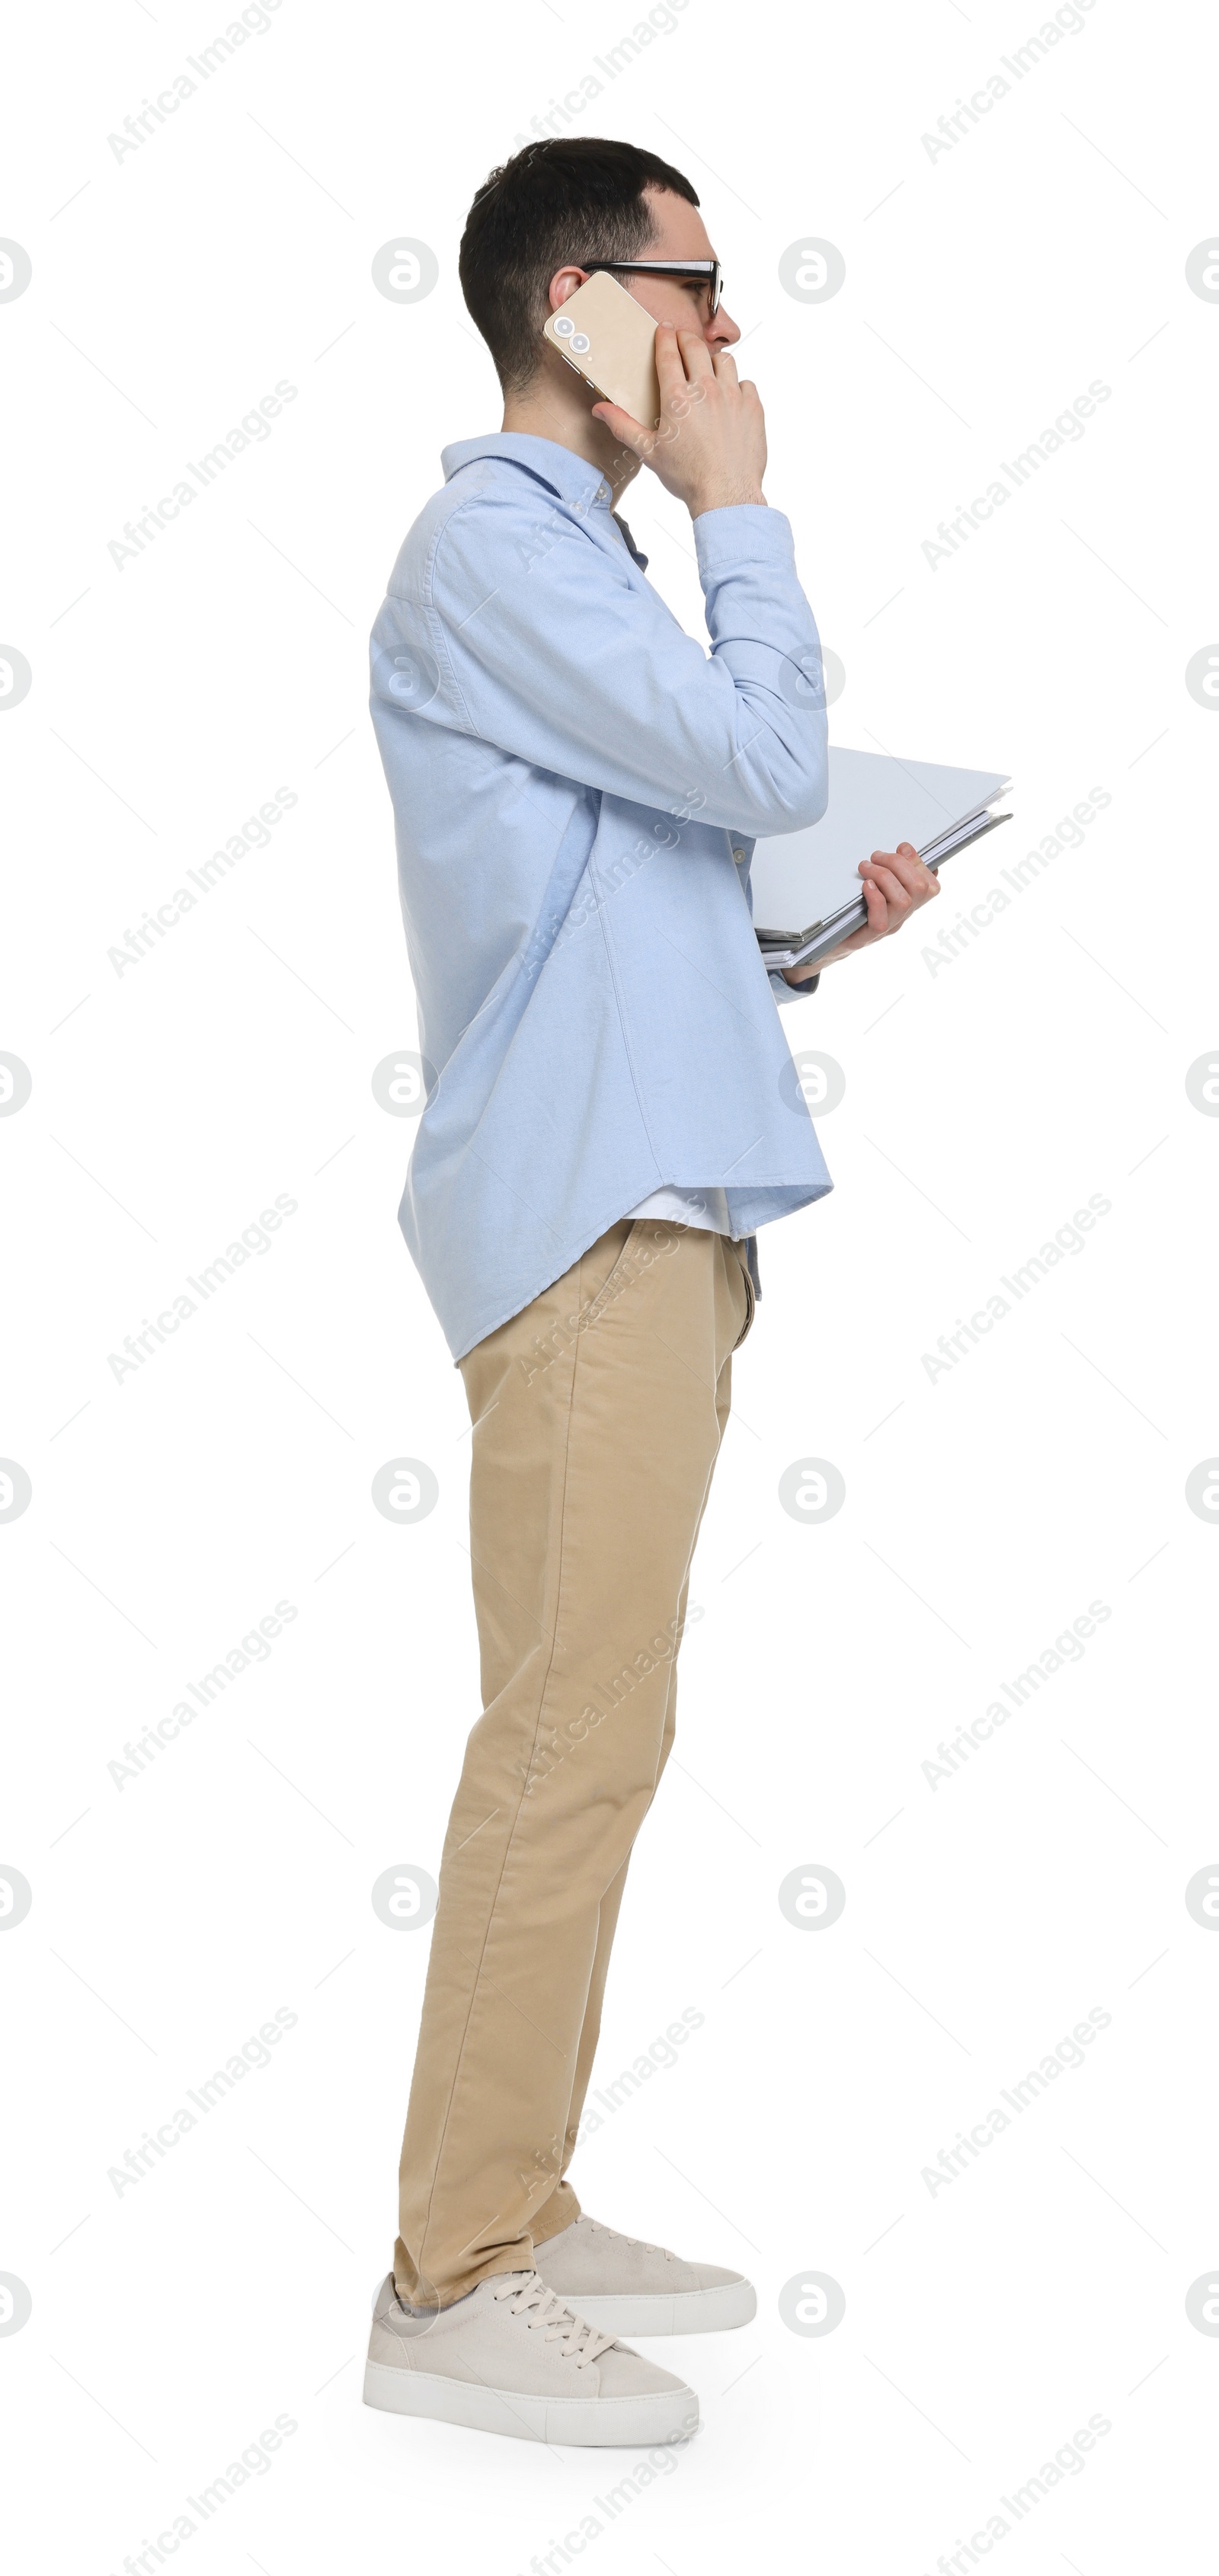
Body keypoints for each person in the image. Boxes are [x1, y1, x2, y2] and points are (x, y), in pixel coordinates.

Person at [364, 137, 939, 2447]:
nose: (731, 337)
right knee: (566, 1746)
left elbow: (649, 862)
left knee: (600, 1735)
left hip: (650, 1207)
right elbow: (762, 745)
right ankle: (453, 2272)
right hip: (594, 1222)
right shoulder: (505, 546)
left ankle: (517, 2190)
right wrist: (741, 508)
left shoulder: (555, 576)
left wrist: (803, 929)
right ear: (587, 299)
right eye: (703, 287)